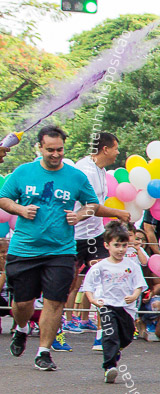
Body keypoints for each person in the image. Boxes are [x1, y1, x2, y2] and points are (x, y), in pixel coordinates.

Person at [0, 126, 125, 371]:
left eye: (59, 150)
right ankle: (22, 327)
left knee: (54, 301)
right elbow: (4, 199)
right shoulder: (24, 172)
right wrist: (21, 210)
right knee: (23, 304)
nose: (55, 154)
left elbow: (92, 204)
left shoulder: (75, 176)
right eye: (50, 150)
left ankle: (44, 352)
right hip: (25, 249)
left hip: (61, 250)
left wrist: (79, 216)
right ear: (40, 148)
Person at [68, 132, 128, 334]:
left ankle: (102, 330)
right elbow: (91, 206)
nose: (117, 153)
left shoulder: (101, 170)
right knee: (71, 281)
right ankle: (67, 320)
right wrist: (118, 213)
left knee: (105, 275)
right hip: (76, 235)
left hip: (96, 234)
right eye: (116, 148)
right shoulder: (85, 170)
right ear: (105, 149)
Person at [81, 223, 147, 383]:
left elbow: (140, 284)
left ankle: (116, 350)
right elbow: (88, 285)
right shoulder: (101, 266)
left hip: (126, 308)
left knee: (127, 336)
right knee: (110, 334)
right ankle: (109, 367)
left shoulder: (131, 266)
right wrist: (93, 300)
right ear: (107, 245)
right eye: (116, 245)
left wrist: (134, 295)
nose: (120, 249)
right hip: (107, 305)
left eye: (124, 245)